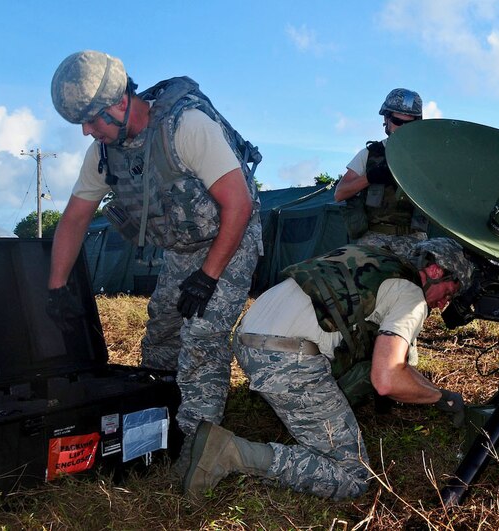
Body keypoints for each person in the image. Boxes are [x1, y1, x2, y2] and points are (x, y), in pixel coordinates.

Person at [47, 51, 262, 445]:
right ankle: (160, 421)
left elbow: (239, 204)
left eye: (92, 120)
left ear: (119, 103)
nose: (87, 132)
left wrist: (208, 277)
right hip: (182, 249)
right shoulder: (104, 154)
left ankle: (198, 447)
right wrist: (58, 287)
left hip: (231, 236)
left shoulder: (187, 127)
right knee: (162, 332)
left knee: (201, 336)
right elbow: (75, 218)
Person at [183, 238, 473, 500]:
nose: (444, 303)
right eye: (451, 290)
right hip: (285, 359)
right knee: (353, 476)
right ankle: (232, 454)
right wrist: (439, 398)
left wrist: (434, 388)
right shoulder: (412, 296)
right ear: (436, 270)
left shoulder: (371, 255)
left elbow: (403, 365)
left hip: (248, 335)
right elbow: (387, 379)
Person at [334, 88, 429, 256]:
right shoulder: (370, 154)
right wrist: (371, 177)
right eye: (397, 121)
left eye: (409, 123)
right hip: (375, 239)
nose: (402, 128)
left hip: (415, 239)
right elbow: (340, 193)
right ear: (386, 119)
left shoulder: (428, 157)